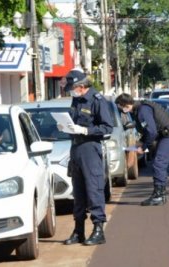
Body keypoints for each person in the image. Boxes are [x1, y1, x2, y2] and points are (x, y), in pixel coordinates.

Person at [59, 69, 113, 246]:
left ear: (81, 86)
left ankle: (98, 230)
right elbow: (74, 121)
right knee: (79, 191)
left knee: (93, 189)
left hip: (90, 148)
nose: (71, 91)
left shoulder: (97, 100)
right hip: (75, 148)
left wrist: (85, 130)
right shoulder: (76, 100)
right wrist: (66, 127)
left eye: (72, 88)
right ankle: (78, 230)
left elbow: (107, 128)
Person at [115, 93, 169, 206]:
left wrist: (144, 147)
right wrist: (142, 142)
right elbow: (148, 130)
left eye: (120, 107)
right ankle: (160, 194)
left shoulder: (142, 110)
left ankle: (159, 195)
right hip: (165, 135)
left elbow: (152, 131)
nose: (120, 109)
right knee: (158, 164)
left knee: (159, 163)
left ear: (125, 105)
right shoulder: (138, 109)